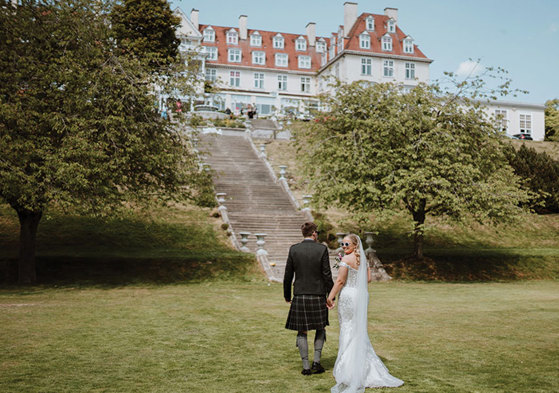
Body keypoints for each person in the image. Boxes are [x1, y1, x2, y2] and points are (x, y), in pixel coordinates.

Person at [327, 234, 403, 392]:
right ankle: (364, 368)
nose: (343, 246)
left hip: (348, 296)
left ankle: (349, 369)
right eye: (342, 243)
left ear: (354, 245)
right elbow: (367, 279)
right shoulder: (363, 260)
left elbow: (340, 281)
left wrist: (330, 297)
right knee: (357, 329)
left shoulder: (346, 260)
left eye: (346, 243)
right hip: (360, 296)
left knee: (348, 327)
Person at [284, 222, 334, 376]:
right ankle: (316, 363)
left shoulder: (294, 249)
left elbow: (288, 275)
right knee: (320, 327)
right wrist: (330, 296)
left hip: (300, 295)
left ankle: (306, 367)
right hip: (318, 295)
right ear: (313, 233)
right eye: (317, 232)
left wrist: (287, 296)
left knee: (302, 330)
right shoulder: (321, 249)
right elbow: (327, 275)